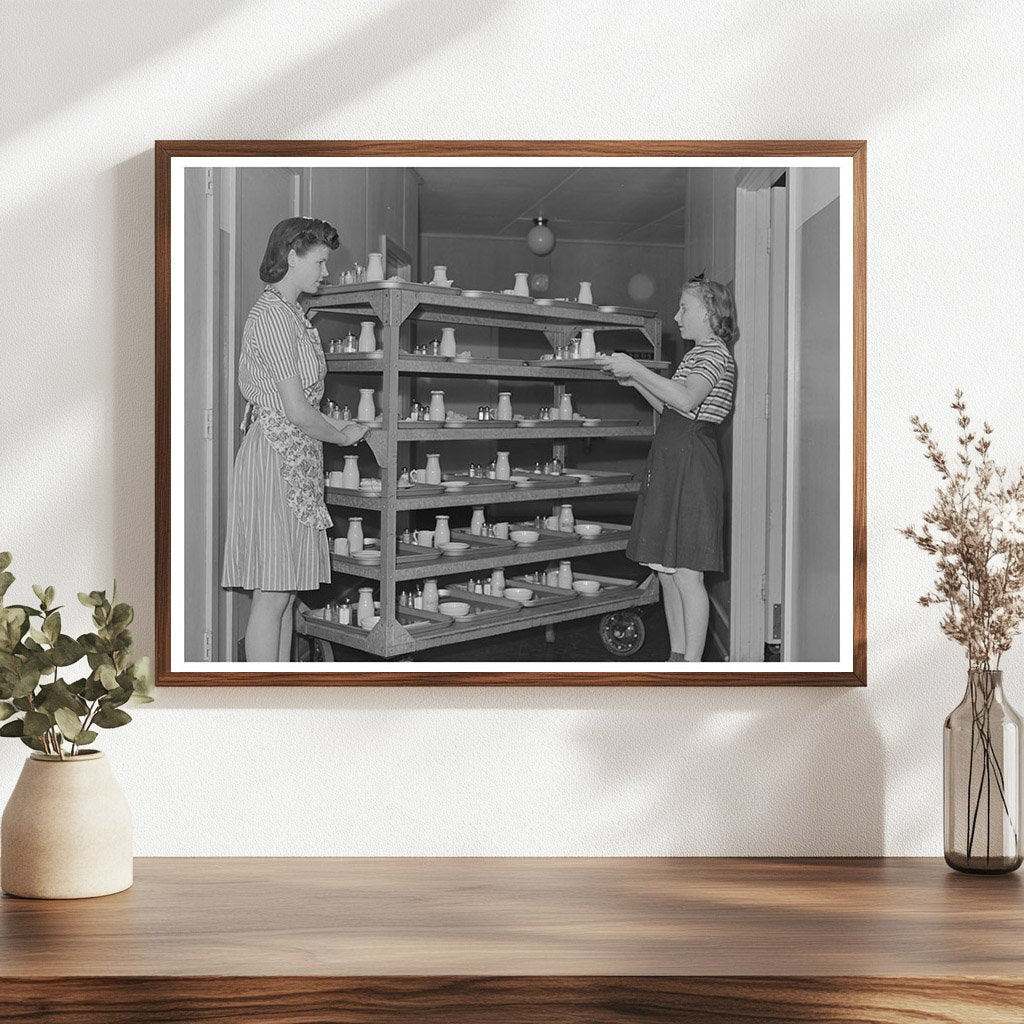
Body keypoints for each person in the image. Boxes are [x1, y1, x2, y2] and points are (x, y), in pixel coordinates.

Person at [222, 217, 368, 662]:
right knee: (272, 594)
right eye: (321, 262)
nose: (326, 272)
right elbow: (298, 411)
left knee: (284, 594)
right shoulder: (270, 317)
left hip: (296, 459)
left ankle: (279, 689)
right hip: (274, 458)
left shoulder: (293, 316)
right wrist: (343, 436)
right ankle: (263, 706)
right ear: (292, 256)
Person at [595, 275, 737, 663]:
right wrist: (633, 381)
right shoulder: (697, 354)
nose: (677, 316)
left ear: (709, 313)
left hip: (692, 466)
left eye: (684, 308)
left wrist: (638, 370)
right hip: (675, 460)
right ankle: (677, 656)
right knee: (667, 571)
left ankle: (692, 667)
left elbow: (687, 399)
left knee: (688, 574)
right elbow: (671, 408)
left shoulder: (713, 354)